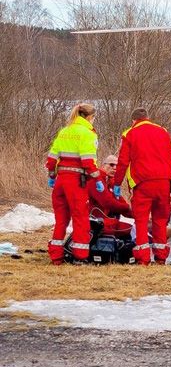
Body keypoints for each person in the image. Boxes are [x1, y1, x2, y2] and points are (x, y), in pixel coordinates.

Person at [112, 108, 171, 265]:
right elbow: (170, 158)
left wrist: (117, 184)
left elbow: (123, 162)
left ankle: (143, 258)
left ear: (133, 121)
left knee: (141, 221)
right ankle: (161, 257)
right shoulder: (163, 131)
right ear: (148, 118)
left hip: (143, 183)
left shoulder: (129, 134)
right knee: (160, 220)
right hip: (164, 182)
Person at [45, 103, 101, 264]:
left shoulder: (64, 131)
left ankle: (56, 256)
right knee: (80, 218)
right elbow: (88, 161)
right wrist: (97, 179)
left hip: (61, 180)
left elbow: (52, 158)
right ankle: (80, 256)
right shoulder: (87, 133)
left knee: (61, 219)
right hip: (76, 182)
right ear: (90, 117)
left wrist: (51, 174)